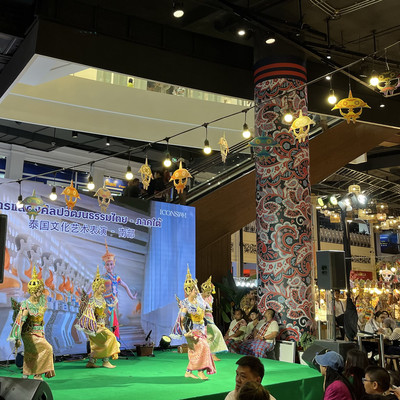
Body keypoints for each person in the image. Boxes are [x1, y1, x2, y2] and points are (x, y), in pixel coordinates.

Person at [8, 266, 55, 380]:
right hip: (29, 334)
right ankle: (37, 374)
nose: (38, 293)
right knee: (47, 348)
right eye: (36, 291)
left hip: (40, 333)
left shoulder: (42, 302)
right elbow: (21, 322)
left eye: (39, 290)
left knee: (32, 354)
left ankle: (27, 373)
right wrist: (17, 337)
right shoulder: (26, 304)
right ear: (31, 292)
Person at [171, 267, 216, 380]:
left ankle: (189, 372)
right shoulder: (185, 305)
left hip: (202, 329)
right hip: (192, 331)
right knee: (202, 348)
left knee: (198, 351)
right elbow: (182, 321)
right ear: (189, 291)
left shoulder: (199, 301)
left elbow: (207, 309)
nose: (197, 291)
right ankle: (200, 372)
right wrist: (187, 333)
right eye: (195, 289)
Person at [75, 266, 120, 368]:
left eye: (104, 287)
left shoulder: (102, 299)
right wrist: (93, 327)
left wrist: (113, 304)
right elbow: (88, 315)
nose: (104, 289)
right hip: (95, 327)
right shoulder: (92, 300)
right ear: (96, 287)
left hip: (102, 325)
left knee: (99, 344)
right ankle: (105, 361)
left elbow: (107, 308)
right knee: (110, 337)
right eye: (102, 287)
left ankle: (92, 362)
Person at [101, 240, 137, 338]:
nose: (109, 266)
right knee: (105, 321)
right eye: (107, 264)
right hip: (105, 303)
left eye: (111, 264)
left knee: (114, 321)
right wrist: (86, 293)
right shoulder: (102, 277)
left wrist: (132, 297)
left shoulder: (117, 277)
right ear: (104, 266)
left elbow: (125, 286)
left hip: (114, 303)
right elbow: (93, 287)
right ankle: (106, 339)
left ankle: (115, 339)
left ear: (114, 264)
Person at [201, 276, 228, 361]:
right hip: (202, 319)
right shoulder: (198, 298)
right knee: (214, 333)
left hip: (210, 318)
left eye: (210, 291)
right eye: (207, 292)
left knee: (211, 336)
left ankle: (211, 354)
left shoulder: (210, 297)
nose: (209, 293)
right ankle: (208, 354)